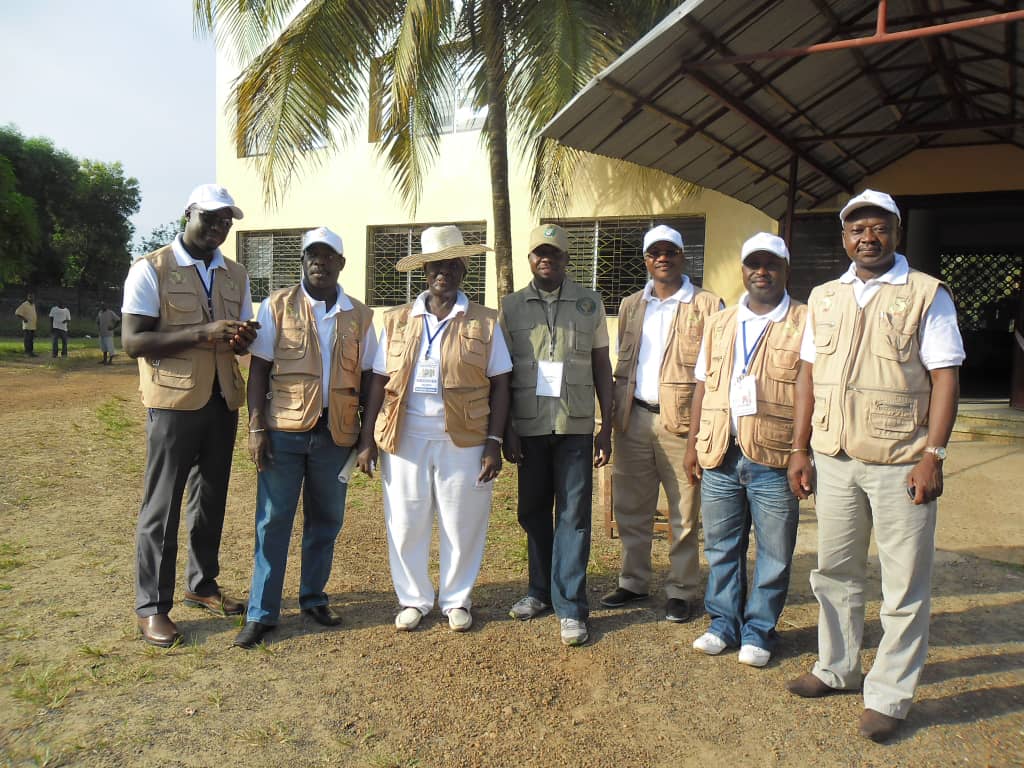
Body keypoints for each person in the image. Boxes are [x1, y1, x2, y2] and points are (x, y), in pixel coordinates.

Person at [785, 190, 965, 742]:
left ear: (897, 233)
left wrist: (932, 456)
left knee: (903, 584)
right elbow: (808, 377)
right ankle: (836, 668)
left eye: (879, 227)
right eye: (857, 228)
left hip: (900, 461)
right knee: (834, 572)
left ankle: (889, 694)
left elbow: (945, 377)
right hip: (834, 457)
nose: (868, 237)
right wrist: (798, 448)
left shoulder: (926, 294)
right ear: (844, 238)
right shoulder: (823, 297)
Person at [122, 183, 258, 648]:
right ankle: (152, 608)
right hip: (173, 403)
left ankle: (202, 585)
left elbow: (240, 337)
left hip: (222, 400)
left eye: (227, 221)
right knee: (162, 505)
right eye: (212, 218)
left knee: (211, 499)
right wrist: (202, 333)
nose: (220, 227)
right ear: (189, 213)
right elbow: (133, 342)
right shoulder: (152, 268)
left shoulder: (236, 274)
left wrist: (241, 338)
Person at [357, 225, 511, 634]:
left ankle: (456, 599)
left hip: (464, 437)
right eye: (433, 266)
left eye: (449, 264)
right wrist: (368, 439)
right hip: (405, 436)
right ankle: (414, 599)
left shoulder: (485, 321)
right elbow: (376, 380)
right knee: (406, 521)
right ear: (424, 273)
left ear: (462, 269)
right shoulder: (396, 320)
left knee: (463, 521)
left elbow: (502, 382)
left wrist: (493, 442)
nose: (441, 272)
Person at [234, 227, 376, 649]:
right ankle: (262, 612)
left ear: (341, 263)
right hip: (283, 431)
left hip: (336, 435)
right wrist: (256, 427)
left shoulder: (360, 315)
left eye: (328, 255)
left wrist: (366, 437)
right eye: (312, 255)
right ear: (302, 261)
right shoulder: (277, 306)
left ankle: (314, 597)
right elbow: (258, 370)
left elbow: (370, 378)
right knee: (272, 520)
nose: (319, 262)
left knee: (326, 521)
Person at [683, 232, 805, 667]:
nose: (761, 272)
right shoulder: (720, 322)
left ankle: (759, 631)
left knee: (773, 552)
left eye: (771, 264)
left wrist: (802, 450)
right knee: (721, 546)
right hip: (720, 453)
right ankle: (722, 624)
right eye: (754, 263)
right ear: (743, 270)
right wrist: (695, 442)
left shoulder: (804, 321)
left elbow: (813, 391)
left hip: (773, 456)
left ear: (785, 270)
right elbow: (702, 384)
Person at [603, 224, 722, 623]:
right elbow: (627, 362)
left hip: (682, 424)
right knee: (631, 507)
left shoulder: (707, 305)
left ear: (682, 256)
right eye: (655, 253)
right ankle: (633, 580)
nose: (663, 258)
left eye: (670, 252)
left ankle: (682, 589)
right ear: (646, 260)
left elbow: (715, 371)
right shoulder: (631, 304)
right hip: (633, 417)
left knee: (683, 512)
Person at [502, 223, 613, 647]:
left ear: (567, 259)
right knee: (532, 511)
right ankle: (538, 592)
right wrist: (508, 428)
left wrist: (607, 427)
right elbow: (503, 372)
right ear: (530, 259)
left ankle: (570, 606)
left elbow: (602, 366)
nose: (546, 259)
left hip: (576, 425)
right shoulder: (511, 307)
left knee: (573, 516)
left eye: (554, 253)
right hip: (529, 426)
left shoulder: (590, 302)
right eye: (538, 253)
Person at [14, 293, 38, 357]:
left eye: (33, 297)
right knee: (27, 339)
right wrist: (24, 318)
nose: (32, 298)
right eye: (30, 297)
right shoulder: (24, 304)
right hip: (27, 326)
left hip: (33, 325)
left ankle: (31, 352)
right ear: (28, 298)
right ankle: (27, 352)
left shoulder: (33, 305)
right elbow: (17, 312)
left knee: (31, 340)